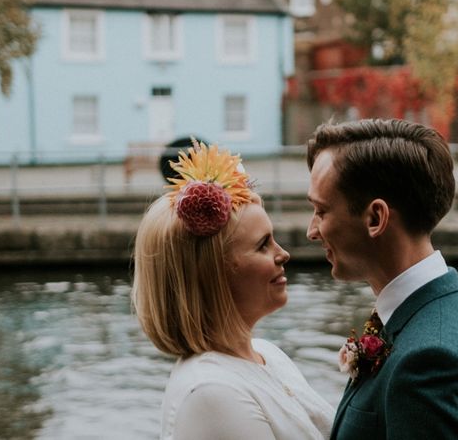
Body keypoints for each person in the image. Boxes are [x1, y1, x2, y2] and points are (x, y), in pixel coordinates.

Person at [306, 118, 458, 440]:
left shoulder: (430, 363)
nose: (311, 231)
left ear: (376, 218)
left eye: (321, 211)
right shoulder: (440, 315)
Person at [133, 141, 334, 440]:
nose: (283, 254)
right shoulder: (211, 393)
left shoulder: (268, 354)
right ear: (212, 275)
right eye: (263, 245)